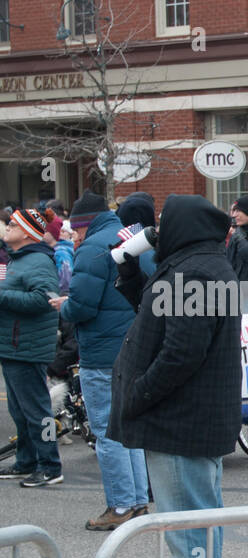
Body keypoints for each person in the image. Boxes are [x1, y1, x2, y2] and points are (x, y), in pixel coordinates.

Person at [109, 195, 242, 558]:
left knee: (189, 530)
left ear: (184, 226)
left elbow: (182, 353)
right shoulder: (200, 266)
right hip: (193, 421)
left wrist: (139, 395)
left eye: (165, 222)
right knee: (200, 524)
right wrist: (128, 268)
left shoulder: (195, 273)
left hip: (182, 421)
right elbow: (155, 309)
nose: (158, 229)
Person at [50, 192, 149, 526]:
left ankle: (120, 506)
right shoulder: (126, 236)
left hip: (102, 351)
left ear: (84, 224)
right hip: (131, 344)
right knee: (128, 429)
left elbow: (83, 306)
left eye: (75, 230)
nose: (73, 236)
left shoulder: (91, 248)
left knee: (108, 432)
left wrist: (65, 306)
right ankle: (136, 501)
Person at [0, 209, 62, 486]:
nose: (7, 228)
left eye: (12, 224)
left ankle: (50, 466)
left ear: (27, 233)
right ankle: (25, 461)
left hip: (27, 347)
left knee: (37, 412)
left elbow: (43, 300)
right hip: (14, 346)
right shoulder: (18, 260)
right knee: (19, 410)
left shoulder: (37, 261)